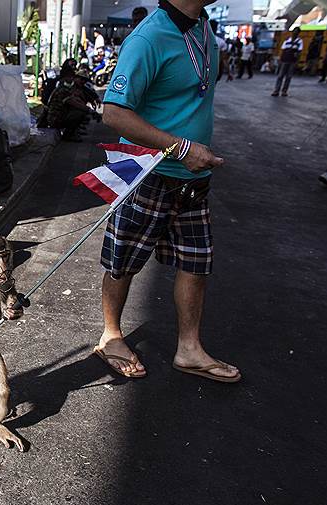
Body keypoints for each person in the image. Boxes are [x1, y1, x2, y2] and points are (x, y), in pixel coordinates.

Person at [97, 0, 241, 382]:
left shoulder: (202, 27)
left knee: (196, 263)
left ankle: (189, 349)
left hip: (193, 179)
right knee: (122, 260)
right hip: (149, 175)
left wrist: (193, 152)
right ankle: (111, 336)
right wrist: (181, 147)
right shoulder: (148, 37)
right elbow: (112, 112)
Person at [45, 66, 101, 141]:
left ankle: (73, 131)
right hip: (55, 118)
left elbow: (79, 98)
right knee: (79, 112)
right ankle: (68, 135)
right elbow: (74, 102)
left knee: (81, 109)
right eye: (81, 79)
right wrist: (89, 111)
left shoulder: (72, 87)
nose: (82, 82)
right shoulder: (63, 89)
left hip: (60, 115)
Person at [273, 27, 303, 97]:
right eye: (294, 31)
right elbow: (283, 51)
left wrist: (297, 61)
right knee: (280, 76)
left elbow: (299, 52)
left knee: (288, 77)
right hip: (285, 60)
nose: (295, 33)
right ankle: (276, 90)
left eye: (297, 32)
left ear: (298, 33)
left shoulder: (299, 41)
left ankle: (284, 91)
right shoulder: (287, 40)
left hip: (292, 61)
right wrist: (280, 59)